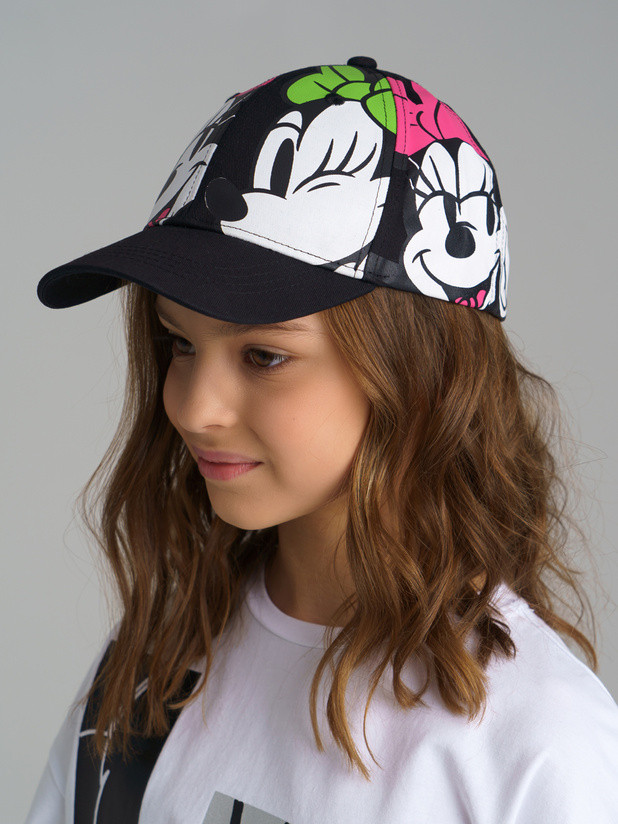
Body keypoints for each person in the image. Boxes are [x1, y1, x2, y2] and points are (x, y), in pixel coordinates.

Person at [26, 56, 618, 823]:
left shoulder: (538, 747)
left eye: (263, 355)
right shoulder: (147, 670)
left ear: (419, 371)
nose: (195, 408)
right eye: (180, 343)